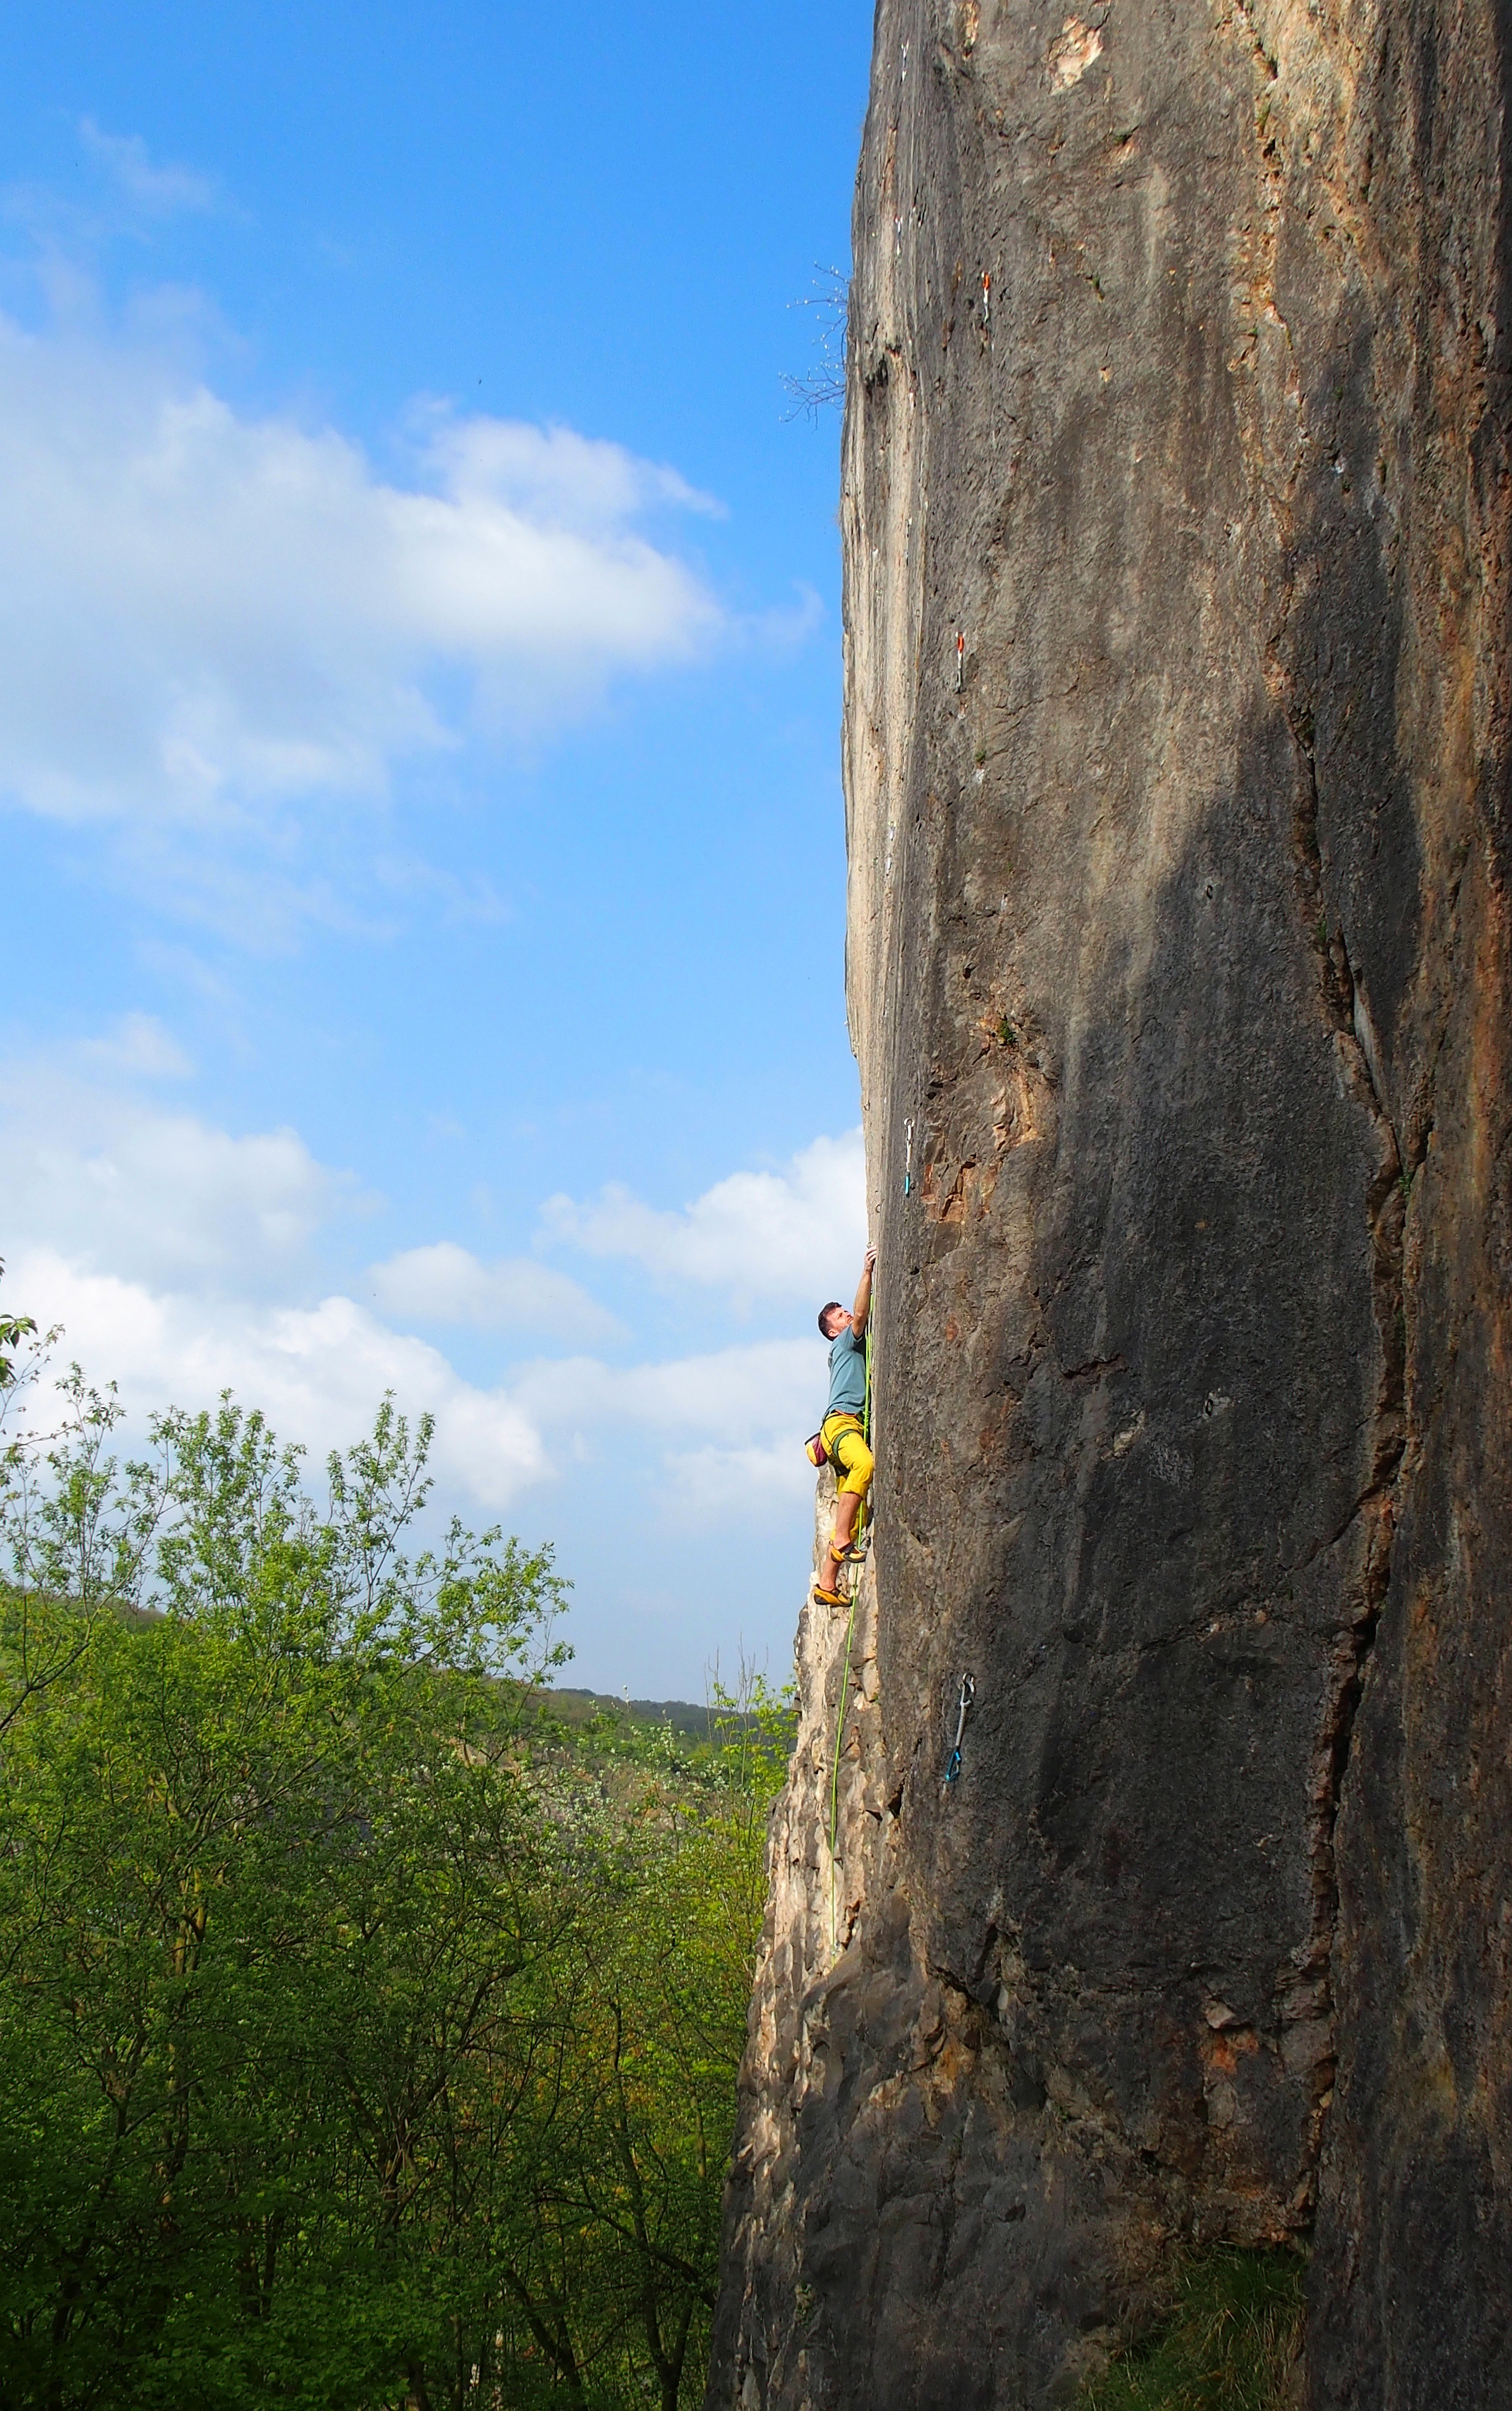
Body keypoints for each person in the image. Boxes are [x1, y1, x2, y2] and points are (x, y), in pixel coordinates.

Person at [812, 1246, 877, 1606]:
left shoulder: (845, 1350)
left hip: (838, 1432)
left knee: (852, 1515)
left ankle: (827, 1583)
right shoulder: (845, 1345)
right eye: (840, 1315)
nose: (847, 1314)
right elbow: (863, 1314)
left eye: (843, 1310)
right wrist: (866, 1273)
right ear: (834, 1332)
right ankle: (840, 1541)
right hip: (842, 1426)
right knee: (865, 1465)